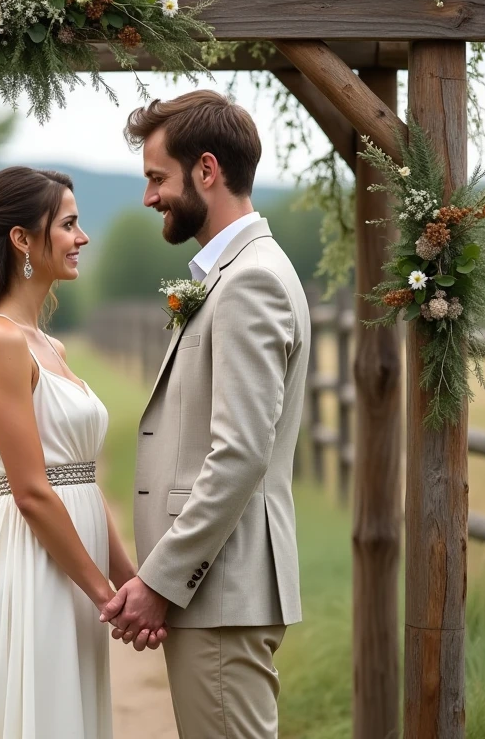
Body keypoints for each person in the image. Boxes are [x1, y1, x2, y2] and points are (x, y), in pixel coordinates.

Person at [100, 90, 311, 738]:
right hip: (216, 591)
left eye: (157, 178)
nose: (148, 197)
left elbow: (240, 453)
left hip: (221, 588)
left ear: (208, 171)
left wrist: (162, 580)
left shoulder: (251, 281)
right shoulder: (235, 273)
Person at [0, 166, 153, 739]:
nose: (84, 238)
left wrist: (131, 581)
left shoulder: (50, 345)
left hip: (75, 559)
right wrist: (105, 596)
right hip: (33, 561)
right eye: (70, 224)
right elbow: (30, 489)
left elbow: (77, 475)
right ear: (22, 239)